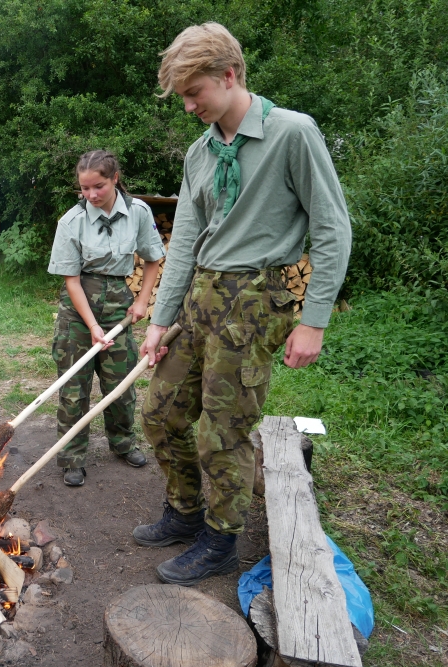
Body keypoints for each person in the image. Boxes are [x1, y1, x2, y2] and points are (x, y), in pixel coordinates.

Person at [134, 23, 351, 585]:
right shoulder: (200, 153)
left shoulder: (291, 133)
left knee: (224, 430)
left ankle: (220, 539)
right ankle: (184, 511)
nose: (188, 106)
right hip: (201, 296)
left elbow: (332, 228)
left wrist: (314, 321)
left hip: (256, 299)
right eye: (183, 96)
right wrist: (160, 320)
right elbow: (185, 240)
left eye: (194, 92)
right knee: (160, 413)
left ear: (229, 75)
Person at [47, 150, 166, 487]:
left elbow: (153, 258)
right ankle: (72, 457)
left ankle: (123, 443)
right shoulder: (71, 221)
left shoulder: (138, 212)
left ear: (115, 178)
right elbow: (71, 281)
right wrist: (92, 326)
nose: (91, 195)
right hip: (77, 313)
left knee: (121, 385)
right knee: (74, 389)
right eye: (84, 188)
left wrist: (142, 301)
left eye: (98, 186)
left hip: (118, 308)